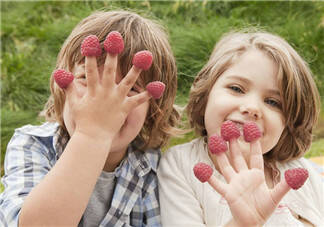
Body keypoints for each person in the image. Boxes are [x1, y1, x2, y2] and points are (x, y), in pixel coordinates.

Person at [0, 10, 180, 227]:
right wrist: (92, 134)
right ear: (61, 88)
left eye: (131, 87)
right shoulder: (33, 144)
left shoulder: (153, 168)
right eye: (87, 78)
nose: (105, 100)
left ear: (153, 109)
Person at [157, 31, 324, 226]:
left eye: (272, 102)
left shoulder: (301, 172)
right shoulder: (180, 165)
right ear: (206, 93)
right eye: (236, 89)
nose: (252, 108)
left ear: (288, 124)